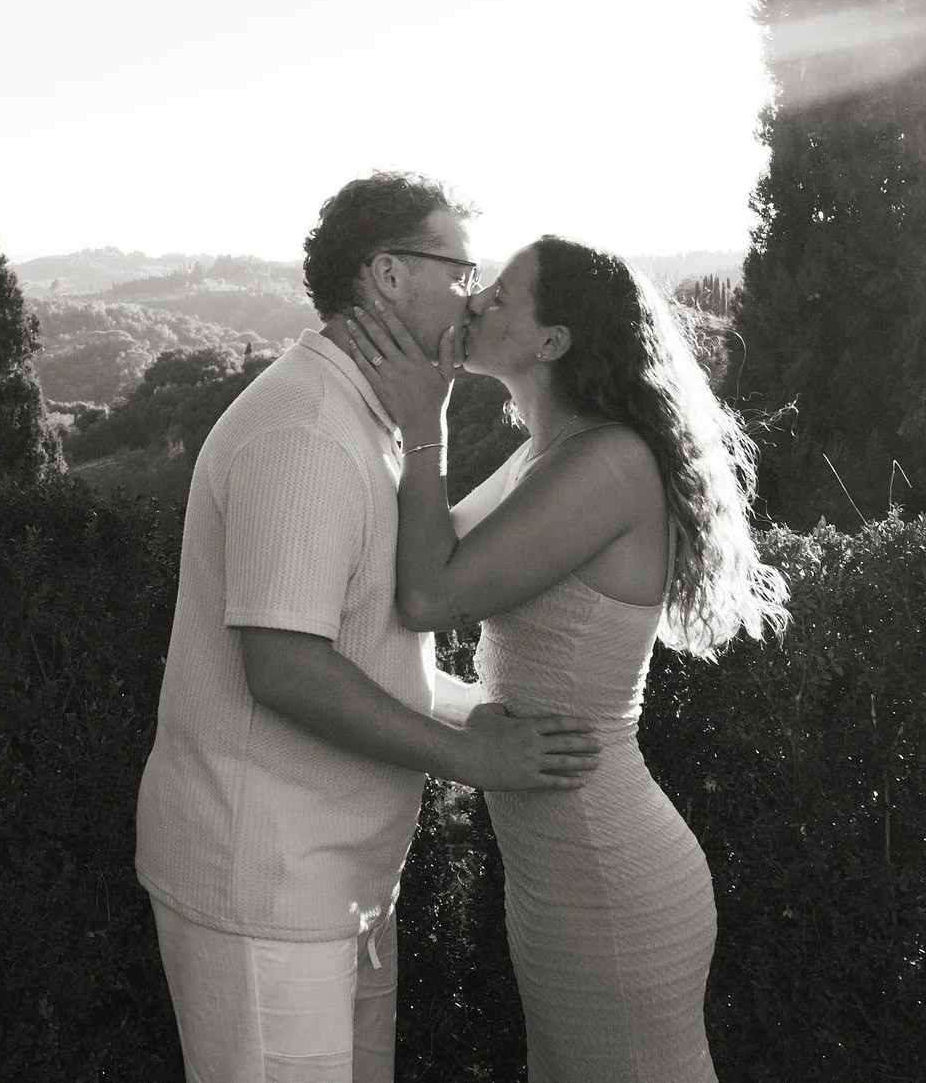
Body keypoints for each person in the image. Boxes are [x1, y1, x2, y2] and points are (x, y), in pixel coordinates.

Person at [136, 175, 603, 1083]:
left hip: (336, 886)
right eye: (461, 268)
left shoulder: (375, 419)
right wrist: (472, 760)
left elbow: (366, 642)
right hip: (265, 889)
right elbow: (285, 667)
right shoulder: (307, 431)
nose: (475, 292)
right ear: (389, 275)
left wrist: (474, 712)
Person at [343, 236, 789, 1083]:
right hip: (557, 879)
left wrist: (425, 423)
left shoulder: (609, 465)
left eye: (501, 297)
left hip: (609, 878)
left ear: (552, 342)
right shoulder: (545, 457)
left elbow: (430, 598)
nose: (475, 304)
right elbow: (418, 552)